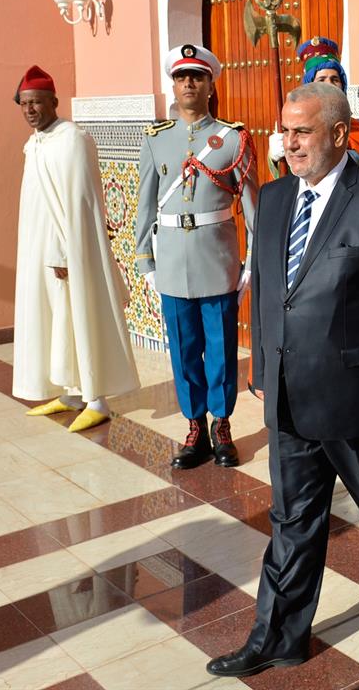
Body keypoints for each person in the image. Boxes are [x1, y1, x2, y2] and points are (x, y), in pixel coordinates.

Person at [206, 82, 359, 678]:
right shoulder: (277, 197)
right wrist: (262, 359)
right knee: (292, 520)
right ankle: (277, 636)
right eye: (286, 130)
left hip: (358, 397)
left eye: (302, 131)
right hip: (288, 394)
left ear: (337, 133)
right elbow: (270, 285)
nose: (290, 142)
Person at [134, 45, 257, 469]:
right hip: (171, 262)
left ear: (210, 84)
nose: (189, 83)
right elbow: (144, 205)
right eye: (182, 76)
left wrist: (251, 262)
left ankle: (221, 425)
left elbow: (252, 206)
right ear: (173, 84)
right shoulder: (156, 139)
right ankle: (194, 426)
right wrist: (144, 260)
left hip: (216, 260)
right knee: (184, 350)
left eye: (197, 76)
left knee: (221, 348)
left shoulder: (232, 138)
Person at [13, 65, 139, 432]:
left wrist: (68, 252)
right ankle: (69, 392)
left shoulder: (72, 139)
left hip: (67, 252)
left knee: (79, 318)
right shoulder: (36, 141)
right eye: (24, 104)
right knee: (56, 321)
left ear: (54, 101)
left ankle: (96, 398)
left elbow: (81, 203)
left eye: (36, 102)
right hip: (39, 253)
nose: (30, 110)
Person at [268, 37, 359, 179]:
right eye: (321, 79)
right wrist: (275, 158)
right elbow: (286, 184)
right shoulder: (292, 131)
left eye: (335, 79)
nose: (329, 84)